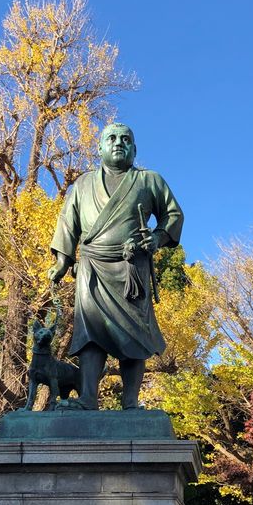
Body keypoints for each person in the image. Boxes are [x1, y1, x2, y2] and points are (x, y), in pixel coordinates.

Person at [48, 123, 183, 410]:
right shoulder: (82, 184)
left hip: (131, 265)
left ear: (134, 149)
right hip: (92, 266)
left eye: (125, 139)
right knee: (90, 334)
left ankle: (131, 402)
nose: (118, 143)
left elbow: (173, 214)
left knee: (135, 332)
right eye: (111, 138)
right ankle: (87, 398)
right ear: (99, 148)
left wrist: (157, 238)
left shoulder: (149, 180)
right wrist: (63, 261)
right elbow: (67, 222)